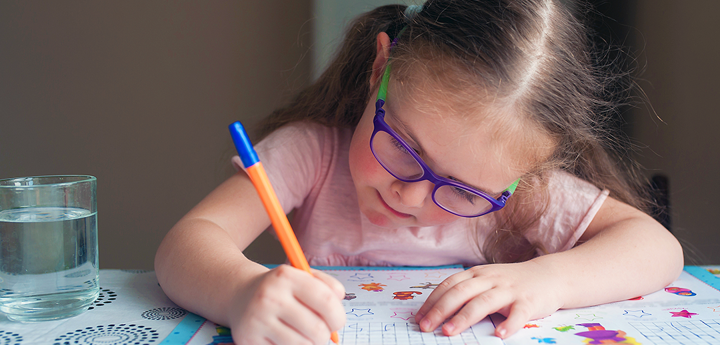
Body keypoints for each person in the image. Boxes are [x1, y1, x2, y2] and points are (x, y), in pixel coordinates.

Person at [155, 0, 684, 344]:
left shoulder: (523, 191)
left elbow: (657, 247)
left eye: (464, 191)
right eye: (406, 147)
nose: (410, 195)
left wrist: (550, 277)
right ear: (381, 68)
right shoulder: (311, 152)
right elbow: (188, 243)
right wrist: (243, 291)